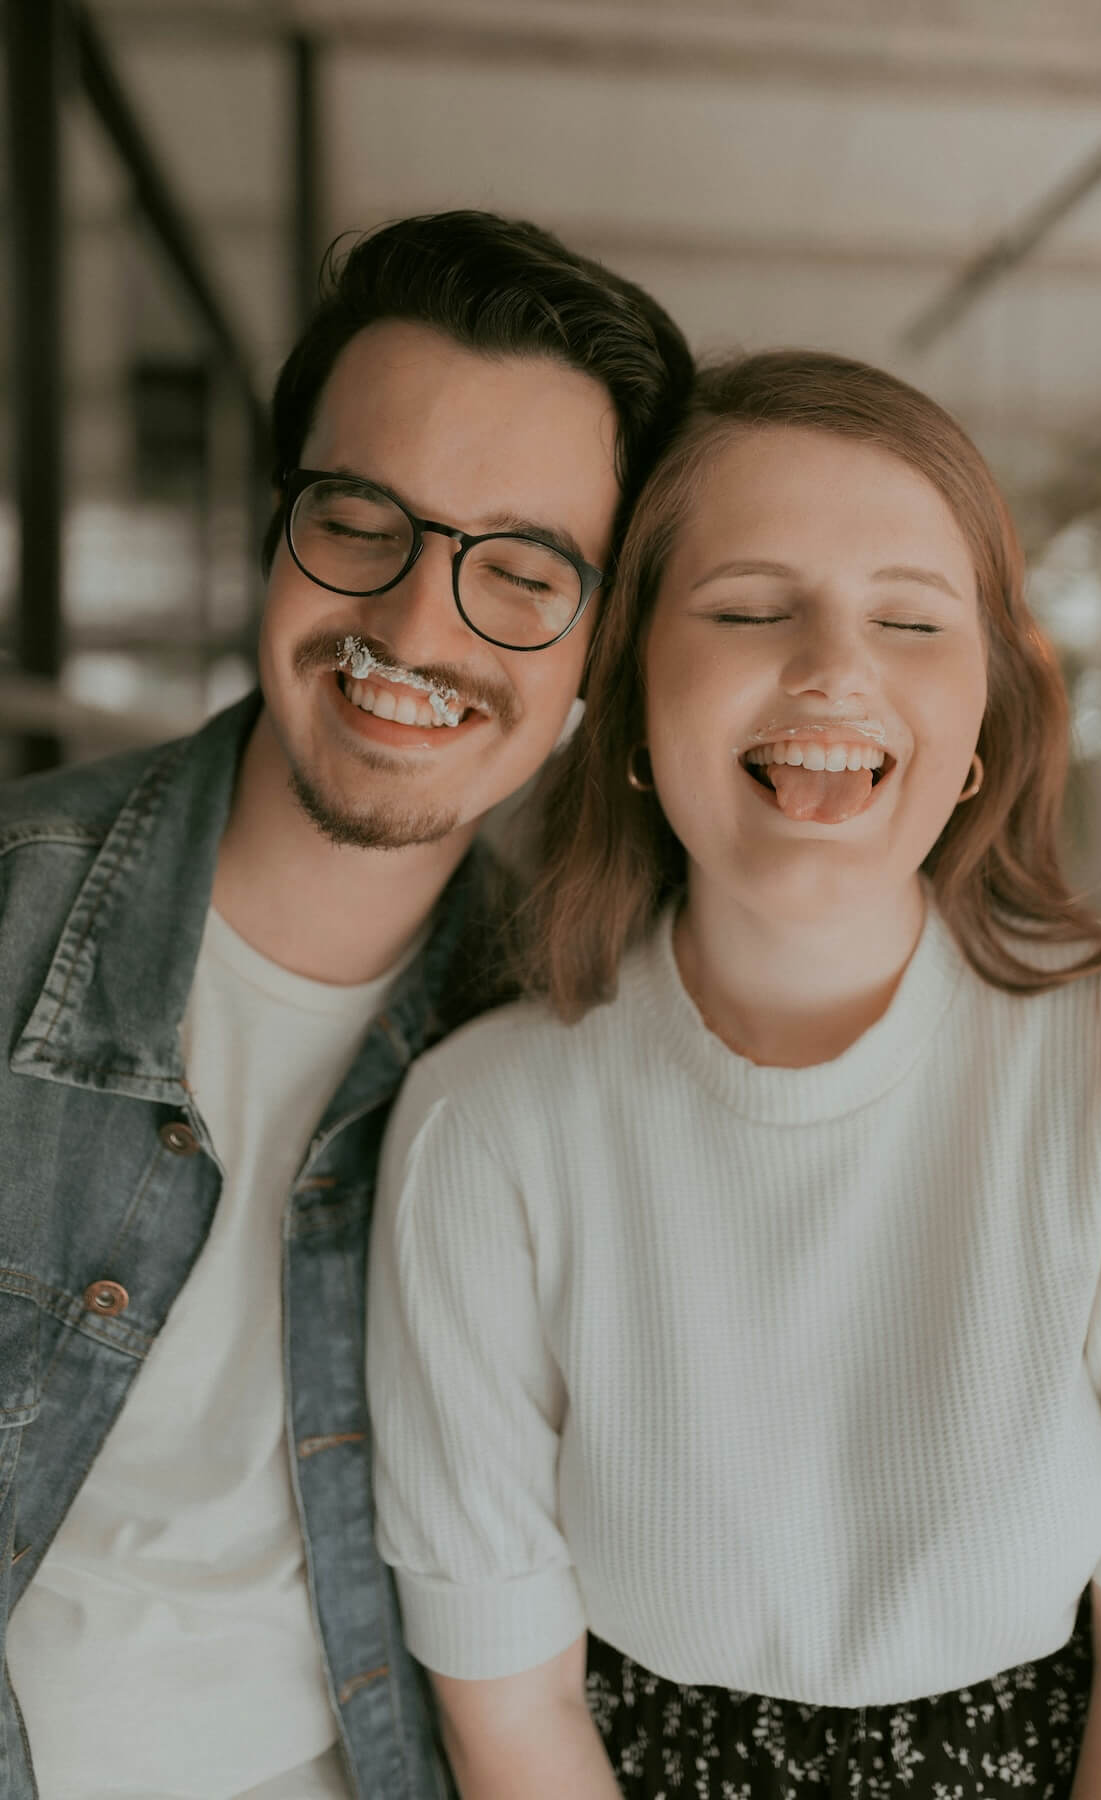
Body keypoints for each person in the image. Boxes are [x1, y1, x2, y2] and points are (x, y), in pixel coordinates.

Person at [367, 350, 1101, 1798]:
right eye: (752, 608)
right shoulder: (485, 1129)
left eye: (910, 618)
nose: (836, 668)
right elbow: (508, 1713)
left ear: (983, 723)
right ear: (625, 693)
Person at [0, 209, 691, 1800]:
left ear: (601, 645)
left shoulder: (578, 1041)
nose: (417, 625)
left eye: (521, 571)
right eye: (361, 518)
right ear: (276, 520)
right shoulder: (17, 912)